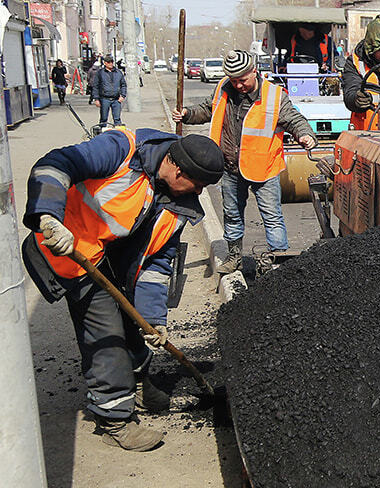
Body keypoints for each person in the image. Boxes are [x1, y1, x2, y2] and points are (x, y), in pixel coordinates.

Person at [23, 130, 224, 451]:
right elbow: (54, 165)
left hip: (113, 255)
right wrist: (48, 216)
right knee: (105, 332)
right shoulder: (121, 150)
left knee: (135, 319)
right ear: (176, 170)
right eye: (198, 184)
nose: (199, 192)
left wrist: (153, 319)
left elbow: (157, 264)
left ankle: (138, 383)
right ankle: (114, 418)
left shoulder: (179, 203)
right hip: (67, 246)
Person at [172, 50, 316, 273]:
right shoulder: (222, 89)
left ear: (255, 71)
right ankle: (234, 258)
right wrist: (187, 114)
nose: (239, 85)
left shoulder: (274, 96)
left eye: (243, 80)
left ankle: (279, 262)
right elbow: (206, 110)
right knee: (232, 214)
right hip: (230, 167)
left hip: (264, 167)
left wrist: (306, 135)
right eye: (234, 80)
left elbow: (295, 119)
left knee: (272, 216)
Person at [90, 55, 126, 126]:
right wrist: (96, 99)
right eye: (109, 62)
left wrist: (123, 95)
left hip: (116, 99)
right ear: (105, 63)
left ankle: (118, 134)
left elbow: (123, 85)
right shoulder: (100, 73)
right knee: (103, 119)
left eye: (112, 62)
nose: (111, 64)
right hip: (104, 99)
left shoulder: (118, 73)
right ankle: (102, 134)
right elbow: (95, 86)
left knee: (117, 119)